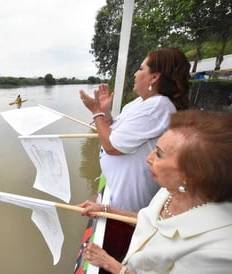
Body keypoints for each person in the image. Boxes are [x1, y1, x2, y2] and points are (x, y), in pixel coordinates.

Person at [80, 109, 232, 273]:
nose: (148, 158)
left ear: (192, 175)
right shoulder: (173, 190)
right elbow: (150, 221)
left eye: (159, 154)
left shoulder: (217, 252)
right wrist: (104, 209)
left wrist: (110, 263)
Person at [78, 48, 191, 265]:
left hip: (129, 199)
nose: (135, 74)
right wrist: (105, 112)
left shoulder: (158, 106)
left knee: (121, 249)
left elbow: (111, 145)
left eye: (141, 69)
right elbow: (114, 132)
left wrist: (96, 113)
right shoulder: (140, 103)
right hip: (117, 189)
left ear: (155, 77)